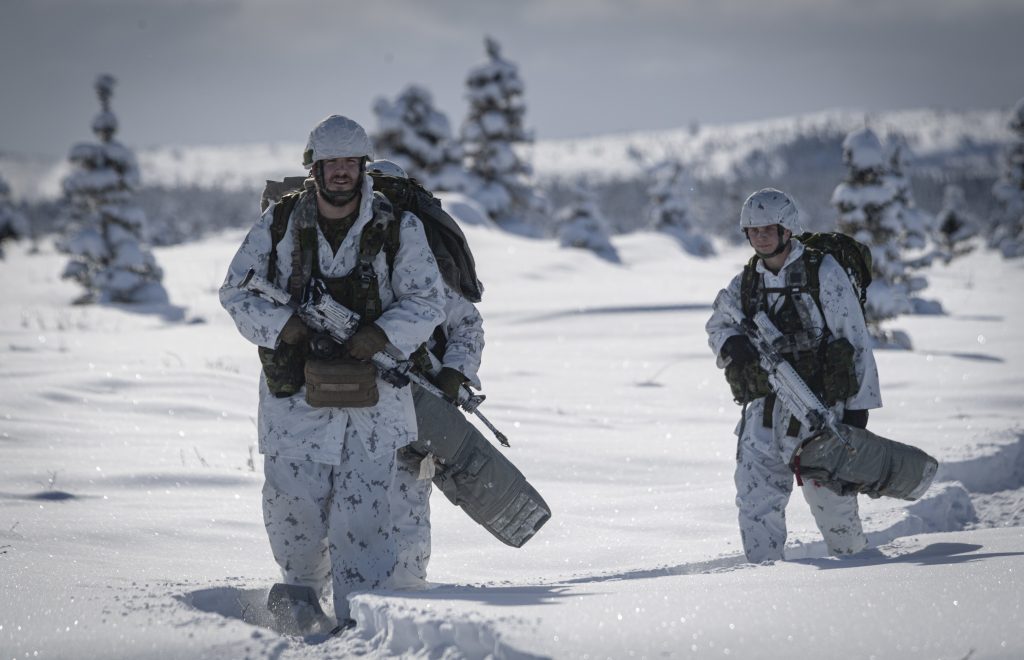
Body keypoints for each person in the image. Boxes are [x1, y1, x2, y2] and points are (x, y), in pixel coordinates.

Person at [219, 115, 445, 633]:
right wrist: (287, 327)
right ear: (313, 168)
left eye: (350, 163)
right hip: (294, 404)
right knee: (292, 518)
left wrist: (380, 337)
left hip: (375, 406)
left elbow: (427, 300)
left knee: (366, 524)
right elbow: (235, 291)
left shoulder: (396, 226)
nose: (342, 173)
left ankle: (362, 627)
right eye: (331, 164)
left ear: (362, 166)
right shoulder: (279, 225)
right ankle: (298, 620)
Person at [705, 188, 882, 563]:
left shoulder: (824, 274)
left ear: (788, 229)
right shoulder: (747, 281)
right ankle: (764, 581)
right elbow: (718, 322)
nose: (761, 236)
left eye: (769, 228)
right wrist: (731, 344)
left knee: (832, 503)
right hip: (766, 414)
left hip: (821, 410)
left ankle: (861, 574)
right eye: (753, 230)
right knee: (755, 501)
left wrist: (858, 413)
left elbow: (857, 343)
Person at [388, 284, 485, 588]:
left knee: (406, 510)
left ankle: (405, 600)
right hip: (341, 412)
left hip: (416, 415)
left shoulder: (414, 262)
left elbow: (468, 323)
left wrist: (453, 373)